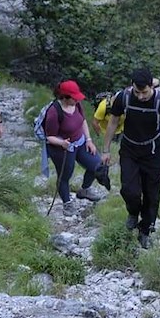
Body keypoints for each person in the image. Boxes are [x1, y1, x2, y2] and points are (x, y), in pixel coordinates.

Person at [101, 68, 160, 249]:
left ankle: (145, 231)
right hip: (129, 151)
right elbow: (113, 121)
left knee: (152, 196)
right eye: (137, 92)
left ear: (152, 86)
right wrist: (106, 149)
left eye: (144, 92)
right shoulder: (124, 97)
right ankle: (133, 213)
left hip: (154, 154)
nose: (141, 96)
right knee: (129, 190)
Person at [44, 80, 107, 216]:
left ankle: (84, 190)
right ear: (65, 97)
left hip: (81, 142)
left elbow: (82, 121)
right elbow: (49, 137)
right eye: (74, 97)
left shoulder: (76, 105)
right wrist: (62, 143)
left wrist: (89, 140)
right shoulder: (54, 112)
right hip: (63, 149)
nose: (77, 100)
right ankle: (67, 203)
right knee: (65, 176)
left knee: (97, 165)